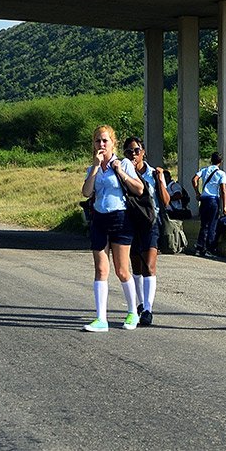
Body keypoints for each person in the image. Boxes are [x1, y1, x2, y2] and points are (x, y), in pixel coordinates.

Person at [80, 125, 145, 332]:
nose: (101, 144)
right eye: (98, 141)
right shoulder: (93, 168)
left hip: (120, 218)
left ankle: (133, 312)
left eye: (105, 141)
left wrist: (120, 172)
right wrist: (96, 167)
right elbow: (86, 192)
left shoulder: (124, 163)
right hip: (99, 218)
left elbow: (139, 188)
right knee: (101, 269)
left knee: (122, 270)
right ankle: (101, 319)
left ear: (113, 143)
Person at [124, 137, 169, 326]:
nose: (133, 154)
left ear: (143, 152)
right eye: (129, 151)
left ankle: (148, 309)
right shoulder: (123, 172)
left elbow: (165, 202)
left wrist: (160, 180)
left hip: (151, 223)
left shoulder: (153, 173)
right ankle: (141, 304)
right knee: (136, 266)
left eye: (136, 150)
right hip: (131, 222)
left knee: (149, 266)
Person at [192, 152, 226, 256]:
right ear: (220, 162)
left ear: (211, 160)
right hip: (213, 199)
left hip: (204, 199)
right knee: (212, 224)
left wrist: (197, 192)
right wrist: (224, 206)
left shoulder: (204, 170)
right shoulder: (221, 173)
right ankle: (209, 249)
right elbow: (223, 190)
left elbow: (194, 179)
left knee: (204, 224)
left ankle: (200, 247)